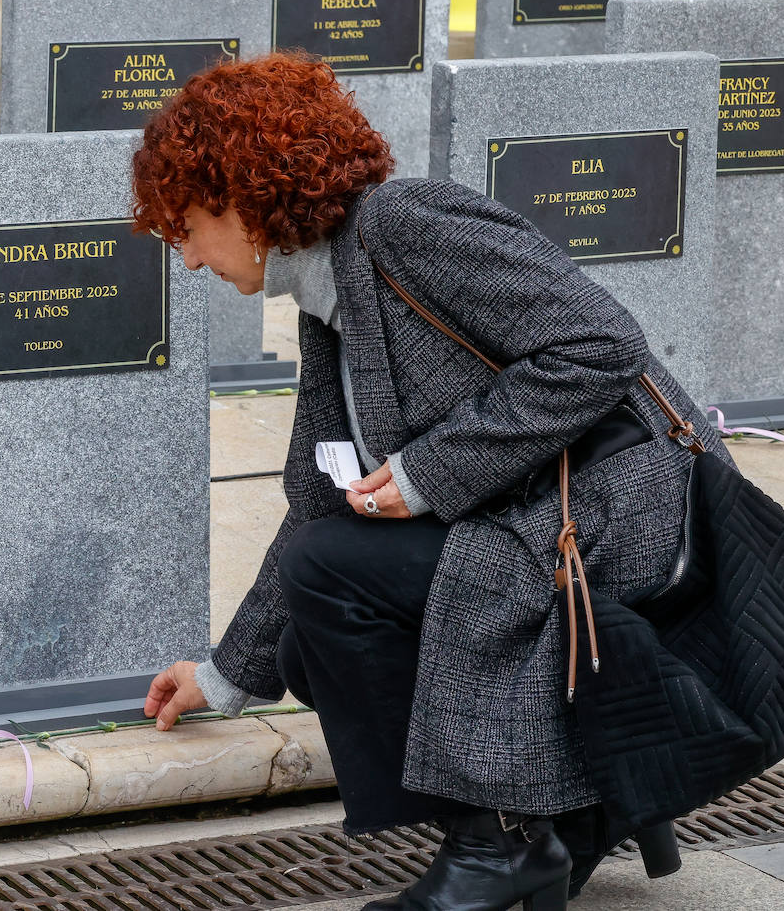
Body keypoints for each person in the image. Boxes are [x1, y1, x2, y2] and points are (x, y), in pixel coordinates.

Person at [134, 53, 728, 911]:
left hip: (622, 518)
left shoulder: (405, 223)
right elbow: (315, 500)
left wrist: (425, 474)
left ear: (241, 197)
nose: (187, 259)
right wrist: (227, 674)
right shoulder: (326, 296)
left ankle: (503, 844)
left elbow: (601, 344)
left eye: (184, 227)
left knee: (334, 575)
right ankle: (581, 805)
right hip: (537, 522)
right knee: (309, 634)